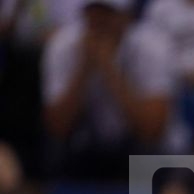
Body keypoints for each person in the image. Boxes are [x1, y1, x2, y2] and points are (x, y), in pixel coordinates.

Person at [41, 0, 176, 178]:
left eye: (107, 13)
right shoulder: (63, 45)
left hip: (147, 148)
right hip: (88, 145)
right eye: (93, 12)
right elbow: (58, 128)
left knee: (149, 158)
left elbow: (151, 131)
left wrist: (109, 68)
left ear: (126, 16)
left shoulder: (154, 46)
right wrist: (84, 69)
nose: (98, 21)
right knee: (53, 155)